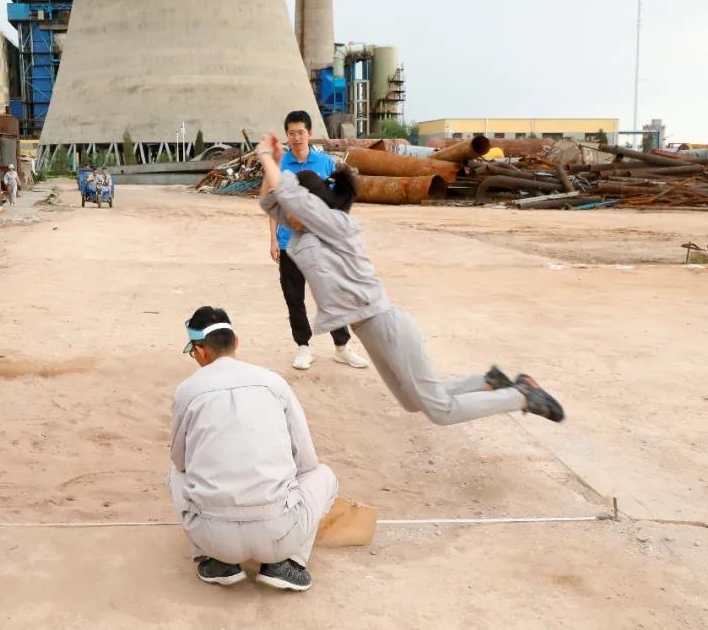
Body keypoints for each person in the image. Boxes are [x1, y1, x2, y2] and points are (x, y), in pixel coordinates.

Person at [255, 132, 565, 426]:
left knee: (440, 411)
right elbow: (270, 201)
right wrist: (273, 162)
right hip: (369, 329)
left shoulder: (337, 225)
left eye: (292, 206)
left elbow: (292, 198)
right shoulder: (302, 231)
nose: (286, 214)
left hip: (385, 325)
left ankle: (520, 395)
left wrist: (268, 156)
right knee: (411, 402)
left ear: (313, 204)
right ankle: (488, 383)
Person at [168, 306, 339, 592]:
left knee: (175, 474)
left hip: (214, 537)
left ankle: (215, 561)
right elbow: (306, 461)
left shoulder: (187, 389)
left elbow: (180, 460)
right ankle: (289, 562)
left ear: (200, 351)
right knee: (323, 474)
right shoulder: (274, 382)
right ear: (236, 341)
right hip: (279, 533)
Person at [268, 111, 369, 372]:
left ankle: (342, 347)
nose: (296, 138)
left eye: (300, 132)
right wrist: (272, 240)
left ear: (309, 133)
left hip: (320, 242)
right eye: (291, 133)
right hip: (288, 241)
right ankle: (303, 347)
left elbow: (337, 204)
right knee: (294, 296)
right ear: (286, 136)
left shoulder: (324, 163)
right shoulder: (280, 166)